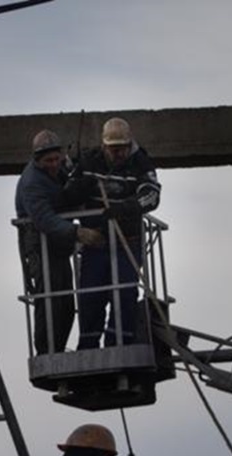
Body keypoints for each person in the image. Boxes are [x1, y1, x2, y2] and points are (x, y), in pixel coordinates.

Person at [67, 117, 161, 349]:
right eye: (113, 149)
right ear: (104, 146)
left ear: (129, 145)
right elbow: (67, 194)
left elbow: (152, 195)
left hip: (127, 243)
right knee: (90, 297)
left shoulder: (141, 163)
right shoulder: (90, 162)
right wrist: (77, 188)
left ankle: (118, 346)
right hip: (95, 244)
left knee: (124, 295)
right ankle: (87, 348)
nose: (118, 154)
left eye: (122, 149)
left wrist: (125, 208)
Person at [15, 129, 104, 354]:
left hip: (59, 245)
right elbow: (44, 219)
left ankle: (59, 347)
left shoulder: (62, 168)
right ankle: (47, 350)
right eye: (48, 161)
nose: (54, 164)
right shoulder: (31, 183)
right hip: (39, 244)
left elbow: (70, 192)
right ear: (37, 160)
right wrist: (78, 233)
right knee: (49, 298)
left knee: (65, 302)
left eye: (57, 159)